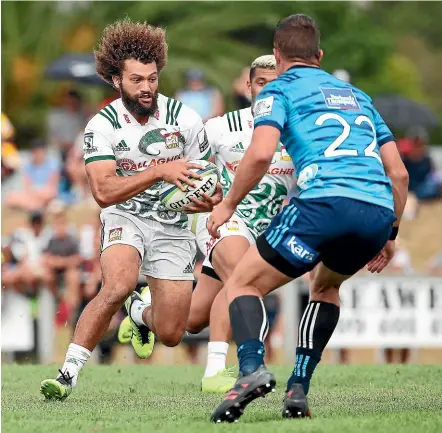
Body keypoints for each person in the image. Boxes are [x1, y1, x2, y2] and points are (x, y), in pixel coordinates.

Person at [208, 14, 409, 422]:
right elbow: (399, 173)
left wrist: (227, 204)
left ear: (278, 55)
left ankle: (250, 371)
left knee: (242, 282)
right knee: (326, 286)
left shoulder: (277, 89)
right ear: (319, 56)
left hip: (323, 204)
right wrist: (390, 234)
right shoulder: (358, 95)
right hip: (375, 212)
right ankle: (298, 389)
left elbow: (261, 154)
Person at [40, 18, 220, 401]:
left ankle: (140, 314)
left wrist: (207, 197)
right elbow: (104, 192)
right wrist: (159, 171)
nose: (146, 88)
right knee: (117, 284)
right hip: (126, 215)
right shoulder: (100, 126)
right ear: (116, 80)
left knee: (172, 333)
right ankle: (67, 374)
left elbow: (212, 185)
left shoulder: (185, 120)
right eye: (137, 80)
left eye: (152, 79)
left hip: (173, 226)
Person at [120, 55, 296, 393]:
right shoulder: (221, 127)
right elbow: (179, 166)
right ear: (248, 87)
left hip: (263, 231)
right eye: (261, 83)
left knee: (191, 320)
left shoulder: (298, 132)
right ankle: (216, 371)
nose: (268, 89)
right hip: (220, 220)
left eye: (276, 83)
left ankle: (141, 311)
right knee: (242, 274)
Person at [6, 139, 60, 211]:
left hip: (46, 193)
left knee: (49, 194)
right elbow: (27, 186)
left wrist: (38, 193)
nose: (36, 154)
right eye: (34, 151)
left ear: (43, 151)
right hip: (33, 194)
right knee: (11, 197)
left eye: (38, 151)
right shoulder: (27, 166)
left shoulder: (53, 164)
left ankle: (34, 205)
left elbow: (53, 188)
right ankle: (37, 205)